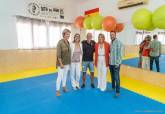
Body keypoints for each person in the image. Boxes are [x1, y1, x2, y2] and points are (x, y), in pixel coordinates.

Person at [56, 29, 71, 96]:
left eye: (69, 34)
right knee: (60, 76)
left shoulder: (68, 42)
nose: (68, 35)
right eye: (67, 34)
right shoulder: (60, 42)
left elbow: (68, 53)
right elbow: (58, 54)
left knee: (65, 76)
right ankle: (57, 90)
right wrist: (61, 63)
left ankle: (64, 87)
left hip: (67, 62)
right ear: (63, 34)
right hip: (61, 63)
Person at [109, 31, 123, 97]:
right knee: (112, 76)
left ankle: (118, 91)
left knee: (116, 77)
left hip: (116, 63)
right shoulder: (111, 42)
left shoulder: (119, 42)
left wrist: (118, 63)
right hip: (111, 63)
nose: (111, 36)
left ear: (115, 35)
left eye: (113, 34)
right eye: (111, 35)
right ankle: (113, 87)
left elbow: (120, 54)